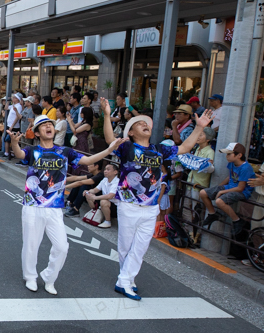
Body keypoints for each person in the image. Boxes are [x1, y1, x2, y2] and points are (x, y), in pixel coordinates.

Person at [101, 101, 213, 300]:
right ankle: (126, 280)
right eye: (138, 123)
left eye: (146, 123)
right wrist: (107, 114)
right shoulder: (127, 147)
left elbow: (185, 147)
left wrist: (200, 126)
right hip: (129, 204)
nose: (145, 124)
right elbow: (110, 139)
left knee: (140, 247)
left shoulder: (159, 149)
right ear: (132, 132)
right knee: (126, 247)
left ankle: (124, 280)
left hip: (151, 206)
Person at [10, 116, 124, 293]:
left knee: (62, 246)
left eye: (51, 125)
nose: (48, 127)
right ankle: (30, 277)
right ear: (38, 132)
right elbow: (19, 155)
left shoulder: (65, 151)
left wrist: (110, 149)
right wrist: (14, 143)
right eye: (44, 126)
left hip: (55, 207)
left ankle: (49, 277)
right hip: (33, 205)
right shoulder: (33, 150)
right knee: (31, 244)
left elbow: (87, 161)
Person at [199, 142, 255, 234]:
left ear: (239, 155)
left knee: (219, 201)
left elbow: (240, 188)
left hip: (242, 191)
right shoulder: (232, 163)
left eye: (229, 154)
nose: (227, 156)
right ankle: (212, 213)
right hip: (230, 187)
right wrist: (219, 187)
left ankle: (237, 220)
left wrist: (221, 191)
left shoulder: (246, 168)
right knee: (203, 193)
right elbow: (230, 177)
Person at [84, 163, 121, 229]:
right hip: (106, 203)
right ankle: (94, 212)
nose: (105, 171)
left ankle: (108, 221)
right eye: (105, 169)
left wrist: (95, 197)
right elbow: (96, 190)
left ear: (115, 172)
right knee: (89, 195)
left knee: (103, 201)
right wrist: (88, 192)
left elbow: (110, 196)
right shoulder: (105, 180)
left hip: (116, 207)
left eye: (108, 169)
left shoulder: (117, 182)